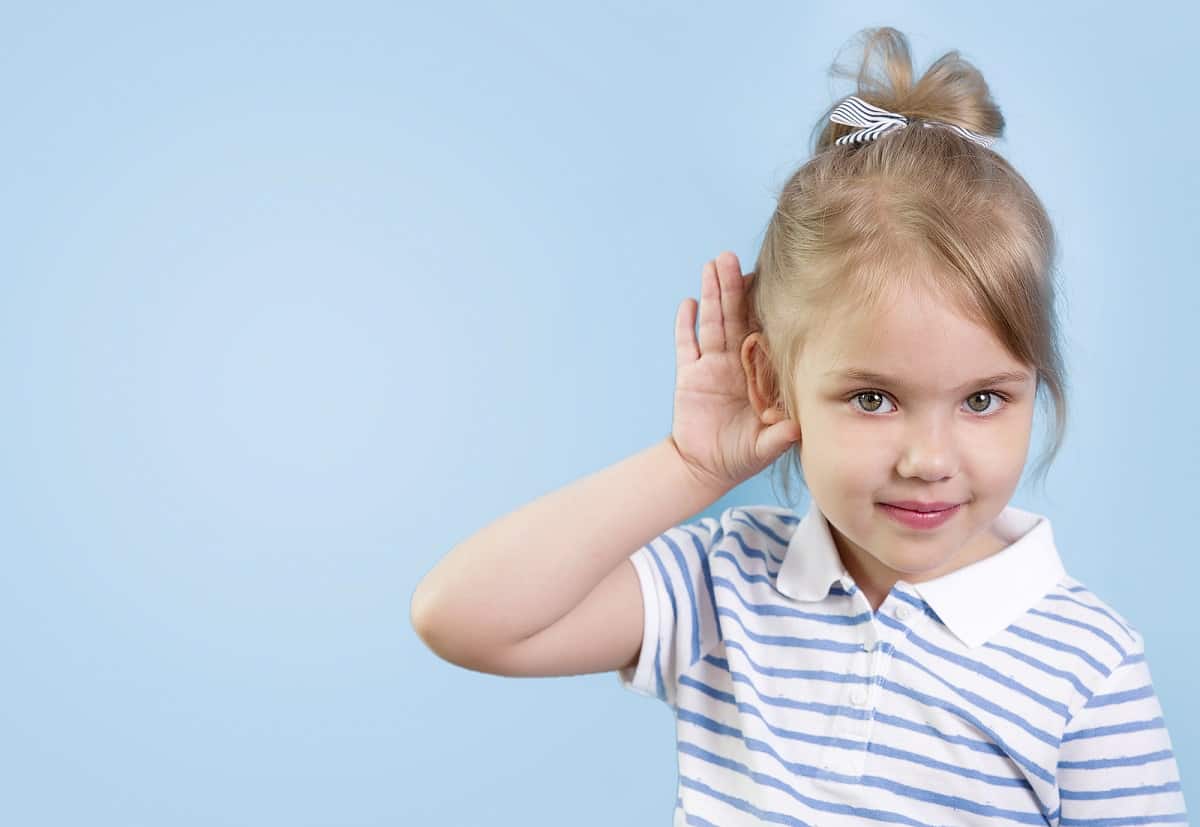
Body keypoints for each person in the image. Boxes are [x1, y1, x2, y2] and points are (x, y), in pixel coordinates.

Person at [410, 26, 1188, 825]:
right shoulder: (723, 585)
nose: (929, 458)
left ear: (1036, 387)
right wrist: (690, 467)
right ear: (771, 383)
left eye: (983, 399)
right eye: (873, 398)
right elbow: (463, 616)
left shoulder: (1086, 663)